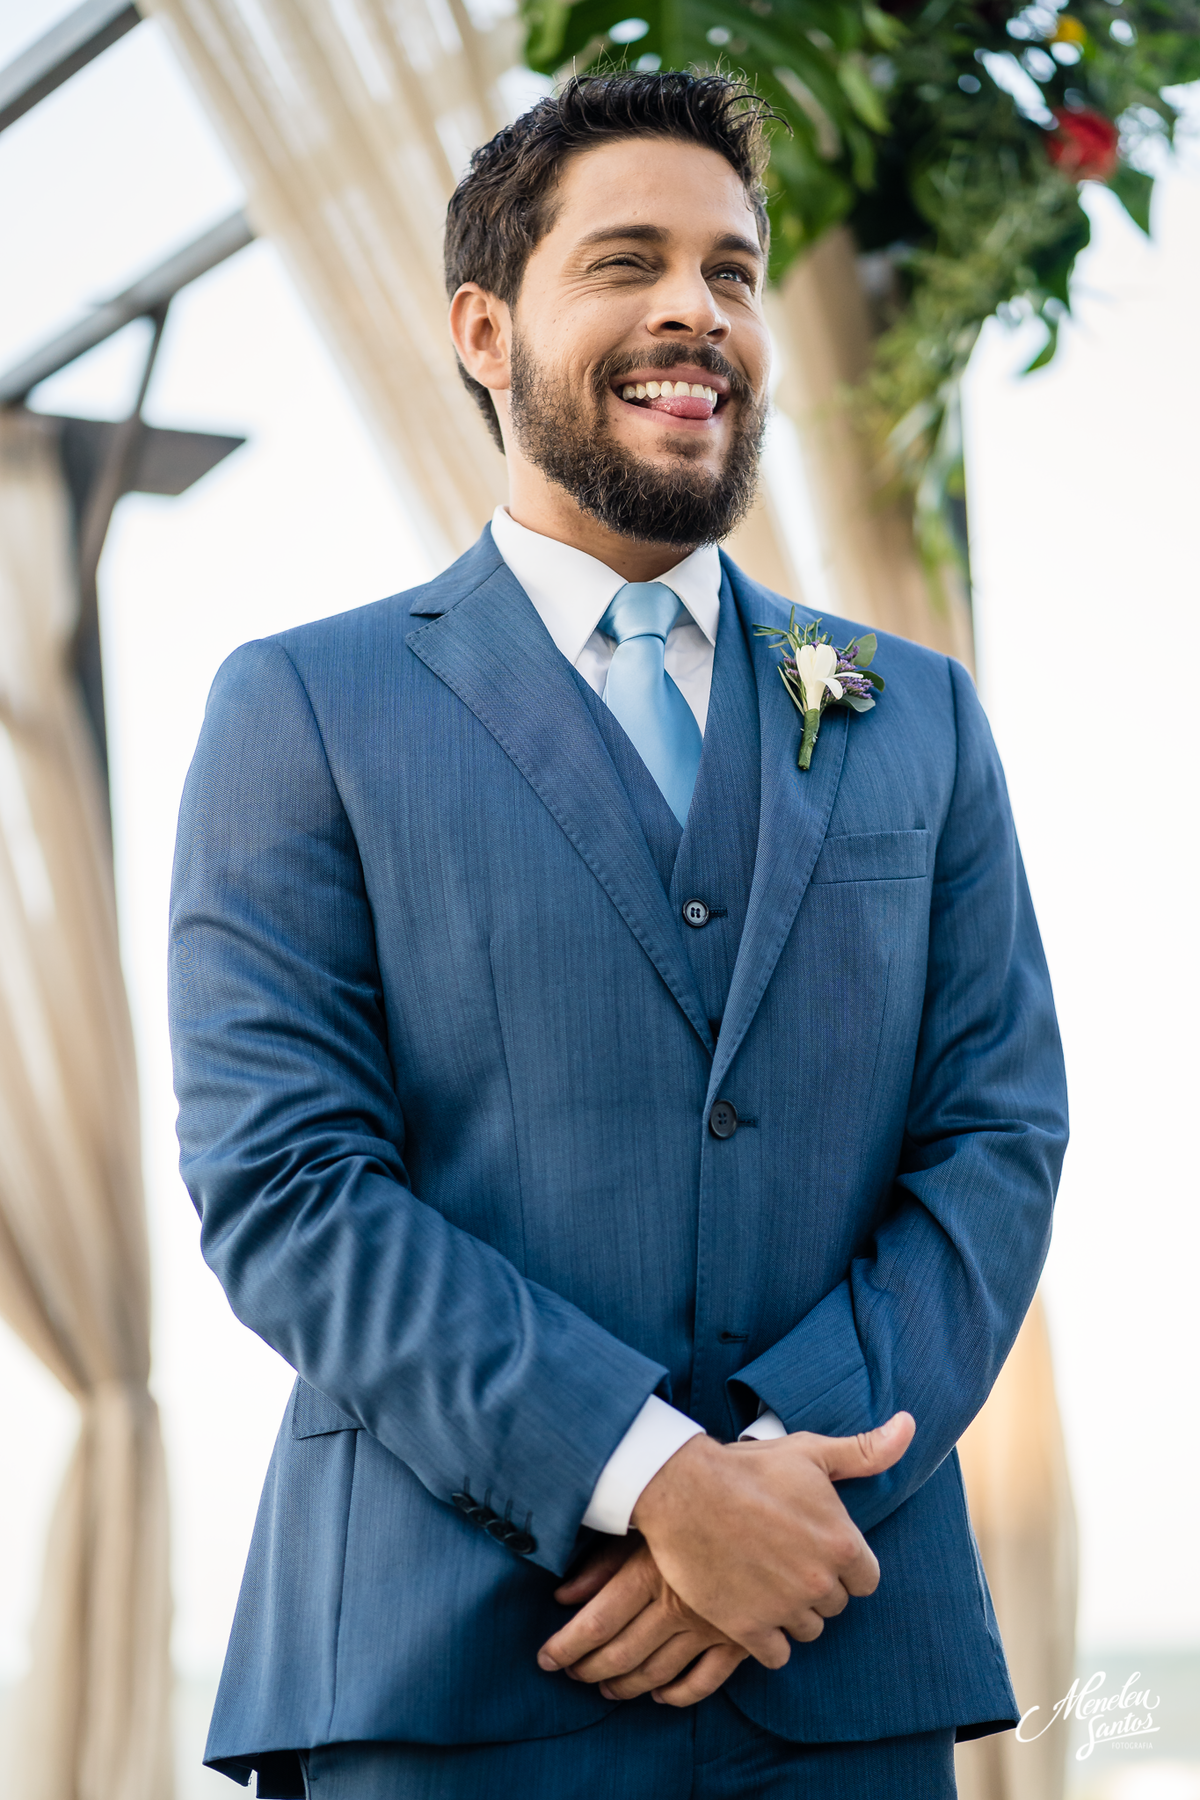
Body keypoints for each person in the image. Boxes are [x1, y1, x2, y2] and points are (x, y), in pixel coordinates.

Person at [168, 70, 1067, 1800]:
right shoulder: (304, 706)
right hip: (447, 1672)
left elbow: (997, 1138)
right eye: (631, 262)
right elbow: (284, 1182)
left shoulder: (915, 717)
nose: (696, 310)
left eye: (732, 273)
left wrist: (781, 1495)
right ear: (485, 328)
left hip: (840, 1648)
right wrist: (653, 1477)